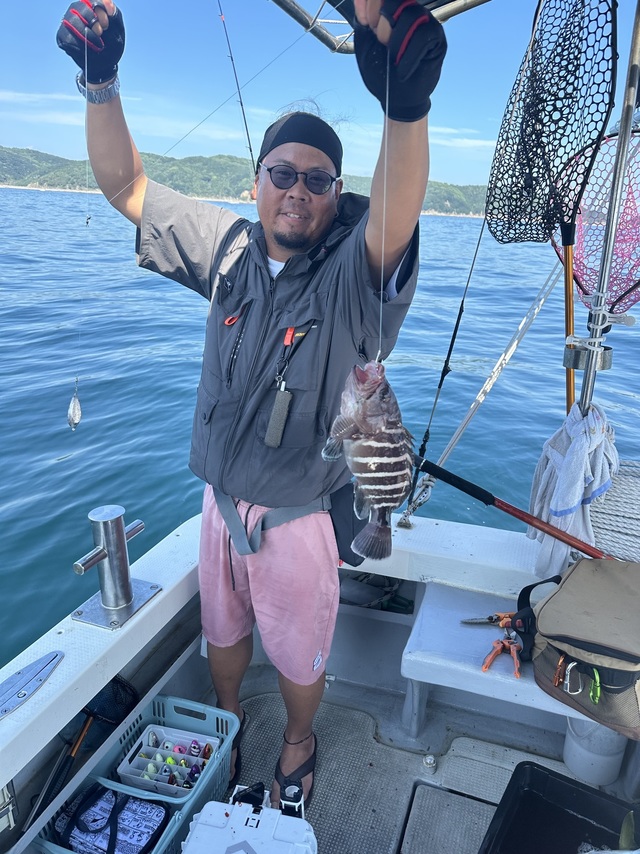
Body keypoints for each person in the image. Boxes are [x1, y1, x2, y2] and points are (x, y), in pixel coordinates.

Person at [57, 0, 446, 812]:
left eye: (317, 179)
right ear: (256, 181)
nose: (297, 191)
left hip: (299, 520)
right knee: (223, 634)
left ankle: (297, 743)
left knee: (300, 656)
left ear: (336, 195)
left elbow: (396, 215)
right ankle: (230, 723)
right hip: (216, 505)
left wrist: (405, 110)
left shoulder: (353, 277)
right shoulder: (227, 248)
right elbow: (126, 185)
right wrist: (101, 83)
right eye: (282, 173)